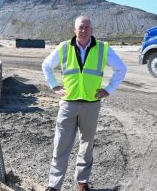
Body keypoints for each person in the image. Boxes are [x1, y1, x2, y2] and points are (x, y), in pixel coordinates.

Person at [42, 15, 127, 191]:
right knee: (61, 145)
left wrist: (109, 89)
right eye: (80, 27)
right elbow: (46, 65)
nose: (84, 30)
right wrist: (54, 86)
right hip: (68, 104)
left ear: (91, 30)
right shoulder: (64, 47)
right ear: (74, 30)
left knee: (87, 145)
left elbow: (121, 69)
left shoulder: (103, 49)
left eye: (87, 27)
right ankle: (53, 185)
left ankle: (82, 182)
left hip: (92, 104)